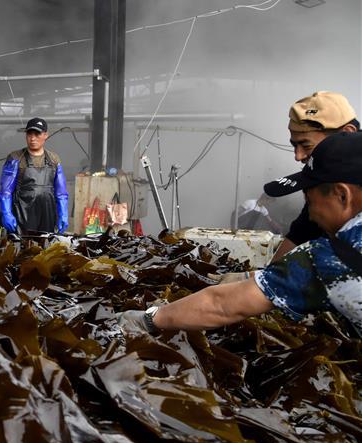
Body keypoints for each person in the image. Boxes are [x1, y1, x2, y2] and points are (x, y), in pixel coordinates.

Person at [118, 131, 362, 337]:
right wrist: (252, 276)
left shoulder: (330, 259)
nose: (311, 215)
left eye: (309, 201)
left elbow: (221, 306)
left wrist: (149, 320)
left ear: (342, 195)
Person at [270, 91, 358, 262]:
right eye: (294, 146)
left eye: (306, 145)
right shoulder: (323, 183)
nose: (298, 156)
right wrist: (267, 274)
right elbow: (300, 233)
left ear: (347, 133)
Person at [0, 117, 69, 235]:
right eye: (29, 134)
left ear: (45, 135)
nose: (32, 138)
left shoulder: (54, 159)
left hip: (47, 214)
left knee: (46, 245)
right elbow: (6, 191)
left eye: (37, 134)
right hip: (22, 215)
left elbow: (61, 192)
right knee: (24, 246)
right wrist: (7, 213)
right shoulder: (15, 158)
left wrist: (63, 214)